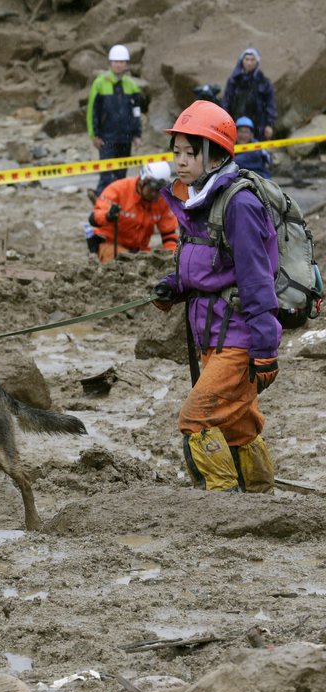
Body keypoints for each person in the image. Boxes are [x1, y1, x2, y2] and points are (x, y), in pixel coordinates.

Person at [151, 100, 280, 495]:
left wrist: (265, 350)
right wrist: (176, 285)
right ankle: (260, 496)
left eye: (192, 153)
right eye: (177, 153)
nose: (181, 162)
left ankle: (220, 503)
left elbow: (258, 281)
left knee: (196, 418)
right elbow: (207, 266)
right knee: (237, 424)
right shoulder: (198, 199)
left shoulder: (239, 204)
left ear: (217, 154)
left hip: (239, 338)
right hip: (213, 333)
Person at [87, 161, 179, 264]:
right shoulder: (118, 190)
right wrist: (108, 216)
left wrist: (172, 256)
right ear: (142, 181)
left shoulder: (162, 199)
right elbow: (93, 219)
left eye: (159, 190)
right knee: (121, 265)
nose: (155, 194)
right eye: (152, 189)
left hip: (140, 251)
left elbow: (169, 234)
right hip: (110, 244)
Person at [86, 44, 143, 199]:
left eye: (122, 62)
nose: (118, 64)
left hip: (125, 137)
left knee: (121, 175)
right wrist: (94, 135)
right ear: (110, 63)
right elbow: (92, 111)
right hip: (106, 137)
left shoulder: (131, 85)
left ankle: (119, 204)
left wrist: (137, 134)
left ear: (126, 64)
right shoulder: (100, 83)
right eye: (115, 61)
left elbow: (136, 112)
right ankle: (100, 203)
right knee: (105, 173)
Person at [223, 48, 276, 141]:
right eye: (246, 59)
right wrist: (224, 123)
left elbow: (270, 104)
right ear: (242, 61)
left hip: (258, 126)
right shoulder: (234, 81)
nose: (249, 63)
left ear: (257, 61)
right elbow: (226, 101)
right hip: (236, 124)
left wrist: (269, 124)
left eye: (252, 60)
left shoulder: (264, 82)